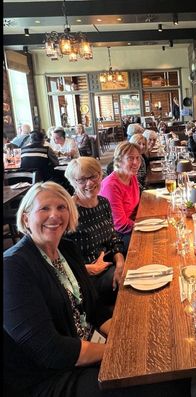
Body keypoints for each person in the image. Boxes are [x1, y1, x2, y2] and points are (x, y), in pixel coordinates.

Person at [3, 181, 113, 396]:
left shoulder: (67, 249)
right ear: (26, 218)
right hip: (48, 376)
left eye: (61, 207)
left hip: (86, 349)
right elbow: (48, 350)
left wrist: (123, 336)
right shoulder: (12, 267)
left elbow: (95, 309)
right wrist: (115, 350)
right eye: (44, 208)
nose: (55, 215)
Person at [65, 158, 126, 305]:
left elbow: (113, 238)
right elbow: (59, 256)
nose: (90, 183)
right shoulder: (68, 211)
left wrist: (120, 263)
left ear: (100, 176)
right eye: (82, 179)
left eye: (93, 176)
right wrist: (87, 269)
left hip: (109, 264)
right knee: (129, 287)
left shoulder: (104, 203)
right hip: (85, 277)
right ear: (73, 182)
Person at [99, 142, 141, 256]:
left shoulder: (132, 176)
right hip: (116, 236)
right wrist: (143, 226)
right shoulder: (111, 186)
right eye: (130, 158)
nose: (136, 162)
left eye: (138, 158)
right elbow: (120, 224)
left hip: (131, 225)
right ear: (119, 161)